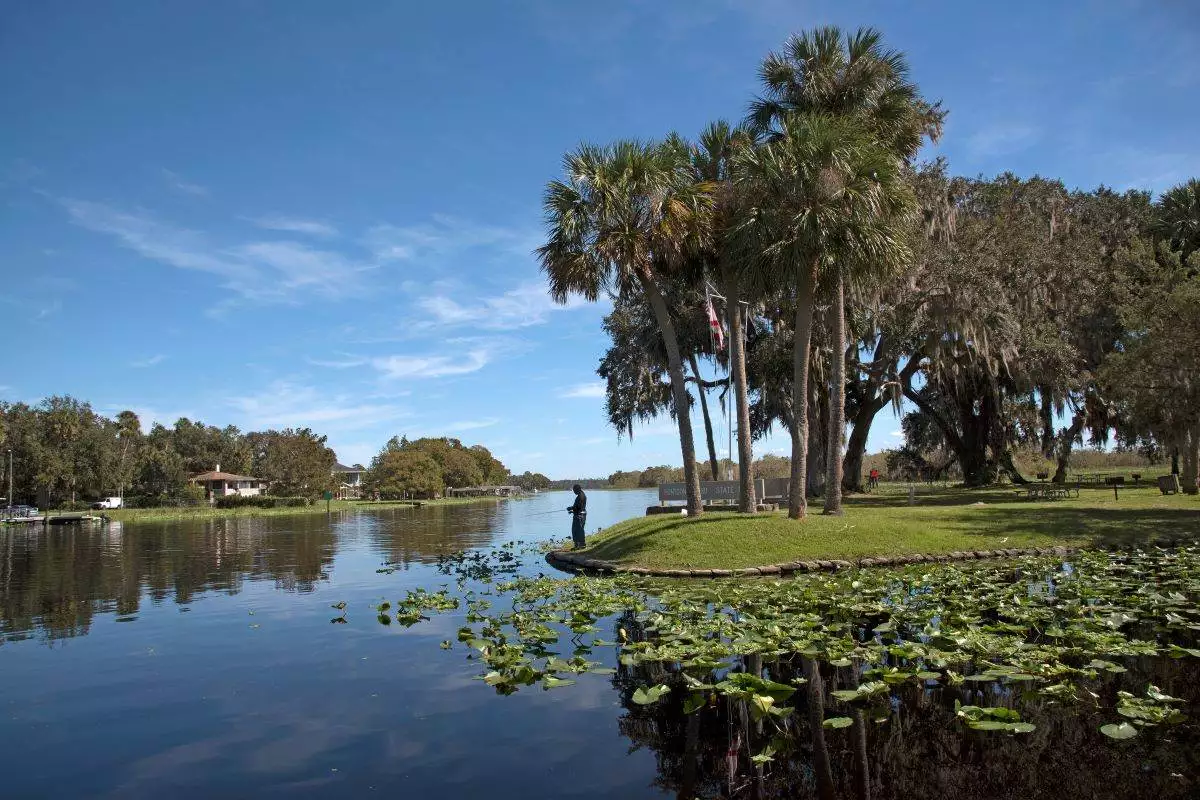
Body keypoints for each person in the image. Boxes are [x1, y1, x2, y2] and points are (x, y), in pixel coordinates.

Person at [567, 483, 587, 549]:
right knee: (578, 530)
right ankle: (578, 545)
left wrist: (571, 508)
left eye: (574, 490)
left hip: (579, 516)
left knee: (577, 530)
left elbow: (579, 507)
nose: (574, 492)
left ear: (577, 489)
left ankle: (580, 545)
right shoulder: (581, 495)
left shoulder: (580, 496)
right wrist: (572, 510)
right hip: (581, 514)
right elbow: (579, 507)